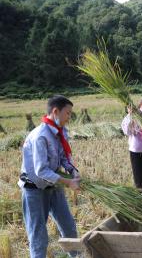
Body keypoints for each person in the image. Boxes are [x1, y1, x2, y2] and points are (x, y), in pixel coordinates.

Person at [18, 95, 80, 258]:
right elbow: (41, 171)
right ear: (55, 111)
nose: (69, 117)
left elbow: (63, 157)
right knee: (38, 236)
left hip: (54, 186)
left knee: (69, 228)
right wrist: (68, 182)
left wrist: (73, 171)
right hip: (35, 189)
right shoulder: (41, 136)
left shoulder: (60, 132)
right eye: (67, 113)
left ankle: (77, 256)